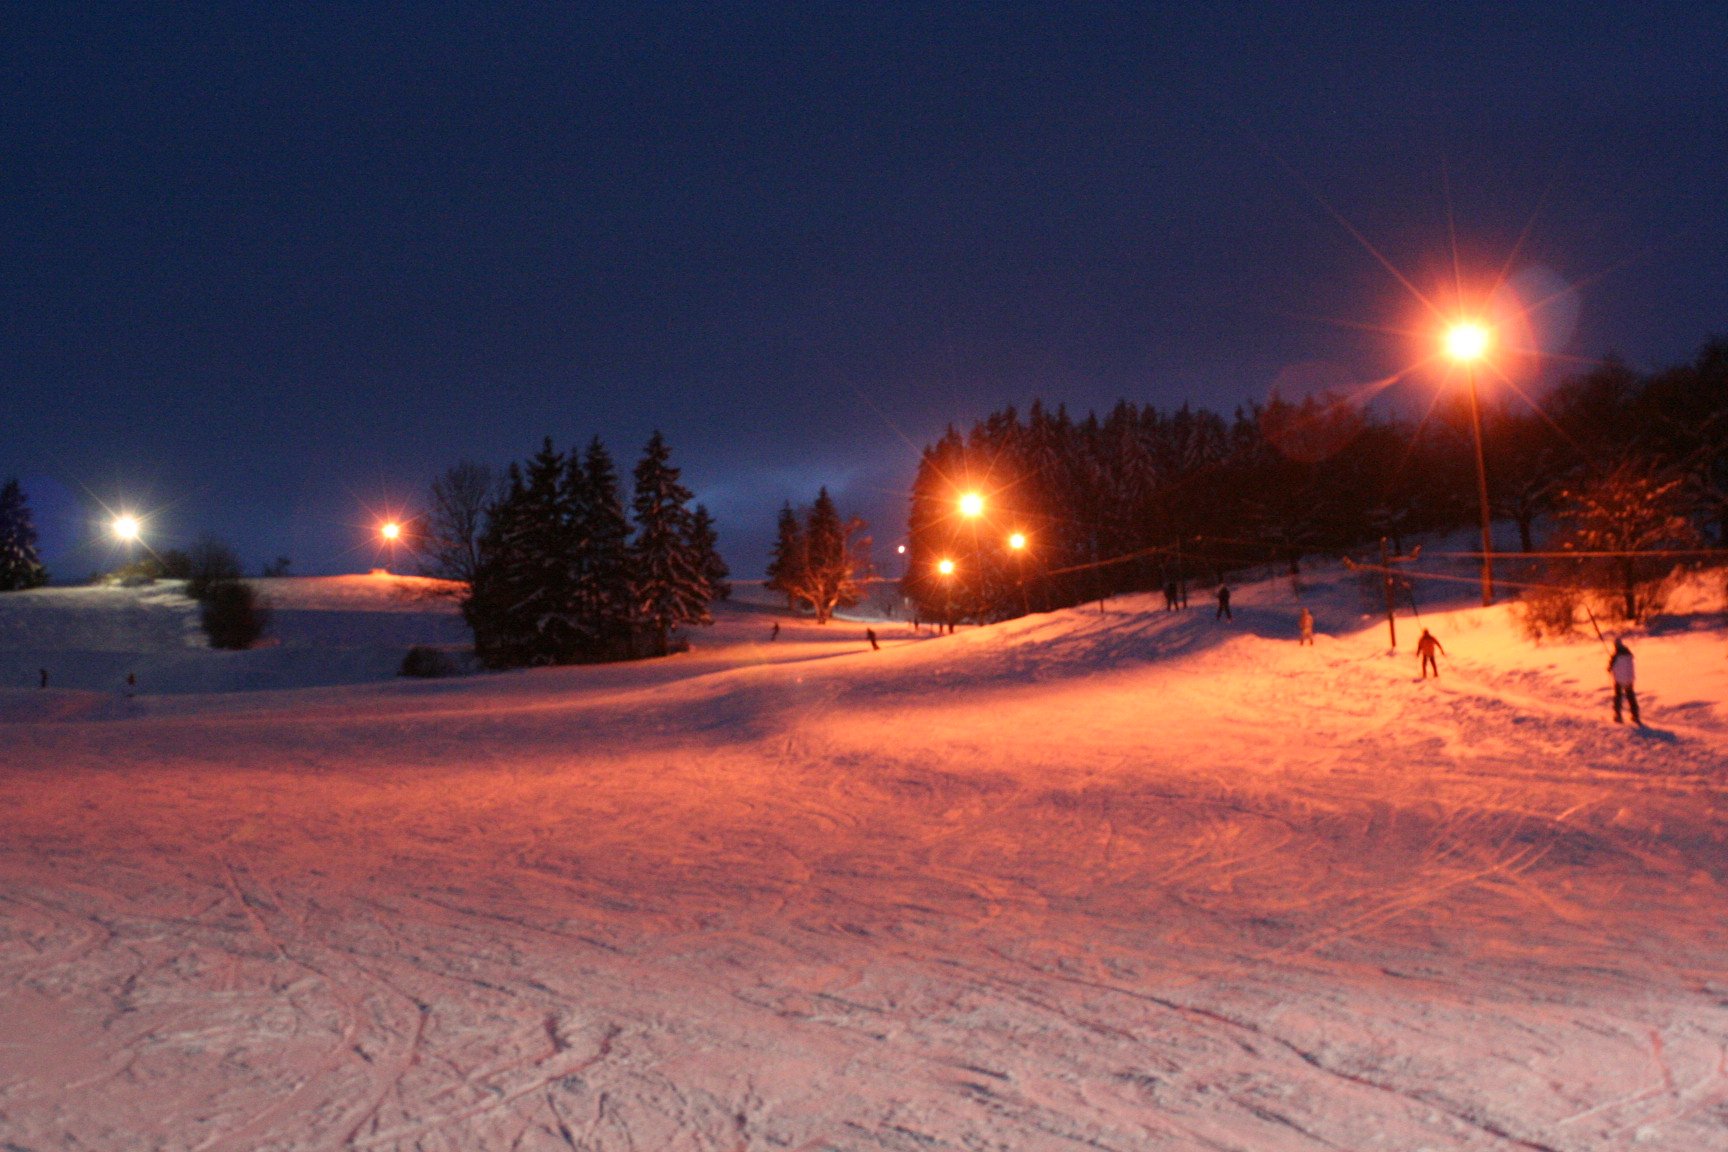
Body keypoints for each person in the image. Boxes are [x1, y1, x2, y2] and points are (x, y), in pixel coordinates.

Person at [1609, 638, 1641, 725]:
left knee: (1618, 697)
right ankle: (1635, 715)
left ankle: (1618, 715)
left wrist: (1610, 665)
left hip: (1619, 680)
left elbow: (1610, 668)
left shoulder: (1615, 656)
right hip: (1629, 679)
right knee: (1631, 697)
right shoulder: (1629, 655)